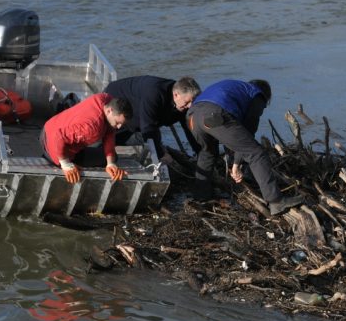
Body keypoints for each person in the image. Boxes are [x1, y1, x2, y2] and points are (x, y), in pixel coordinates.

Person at [187, 79, 303, 216]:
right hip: (213, 116)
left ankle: (201, 196)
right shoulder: (257, 95)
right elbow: (248, 133)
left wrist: (236, 162)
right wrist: (236, 163)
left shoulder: (238, 89)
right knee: (256, 153)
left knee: (208, 152)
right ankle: (276, 201)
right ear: (266, 97)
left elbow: (238, 138)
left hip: (192, 117)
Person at [104, 75, 201, 163]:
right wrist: (161, 154)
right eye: (187, 102)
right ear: (176, 95)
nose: (190, 106)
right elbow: (148, 127)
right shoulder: (154, 93)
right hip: (117, 101)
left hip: (140, 108)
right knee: (112, 140)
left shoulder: (184, 104)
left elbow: (190, 129)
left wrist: (201, 154)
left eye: (193, 102)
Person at [41, 93, 132, 184]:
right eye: (117, 122)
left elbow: (110, 132)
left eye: (121, 124)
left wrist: (110, 163)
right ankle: (55, 159)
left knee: (111, 157)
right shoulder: (92, 127)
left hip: (49, 127)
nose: (119, 127)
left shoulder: (105, 99)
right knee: (110, 157)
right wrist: (66, 164)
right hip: (53, 147)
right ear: (109, 111)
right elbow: (59, 136)